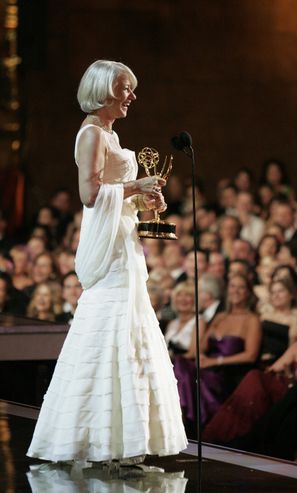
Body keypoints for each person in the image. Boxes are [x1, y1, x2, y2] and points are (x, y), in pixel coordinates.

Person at [27, 60, 187, 464]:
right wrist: (138, 184)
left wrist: (140, 198)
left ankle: (123, 440)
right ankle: (96, 438)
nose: (131, 96)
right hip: (111, 252)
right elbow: (90, 194)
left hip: (125, 241)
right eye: (124, 89)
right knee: (108, 326)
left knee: (130, 327)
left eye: (132, 88)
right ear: (102, 90)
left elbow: (113, 194)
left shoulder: (111, 136)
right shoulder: (91, 134)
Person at [203, 299, 297, 445]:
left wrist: (290, 380)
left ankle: (245, 438)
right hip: (287, 396)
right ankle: (225, 434)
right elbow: (273, 371)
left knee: (257, 380)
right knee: (255, 378)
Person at [173, 274, 261, 429]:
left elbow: (250, 355)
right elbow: (203, 346)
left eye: (241, 287)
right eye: (233, 286)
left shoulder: (251, 319)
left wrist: (216, 361)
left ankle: (183, 420)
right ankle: (180, 417)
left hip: (226, 372)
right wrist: (201, 356)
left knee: (183, 368)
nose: (236, 291)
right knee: (179, 362)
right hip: (207, 367)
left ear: (248, 292)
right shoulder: (220, 317)